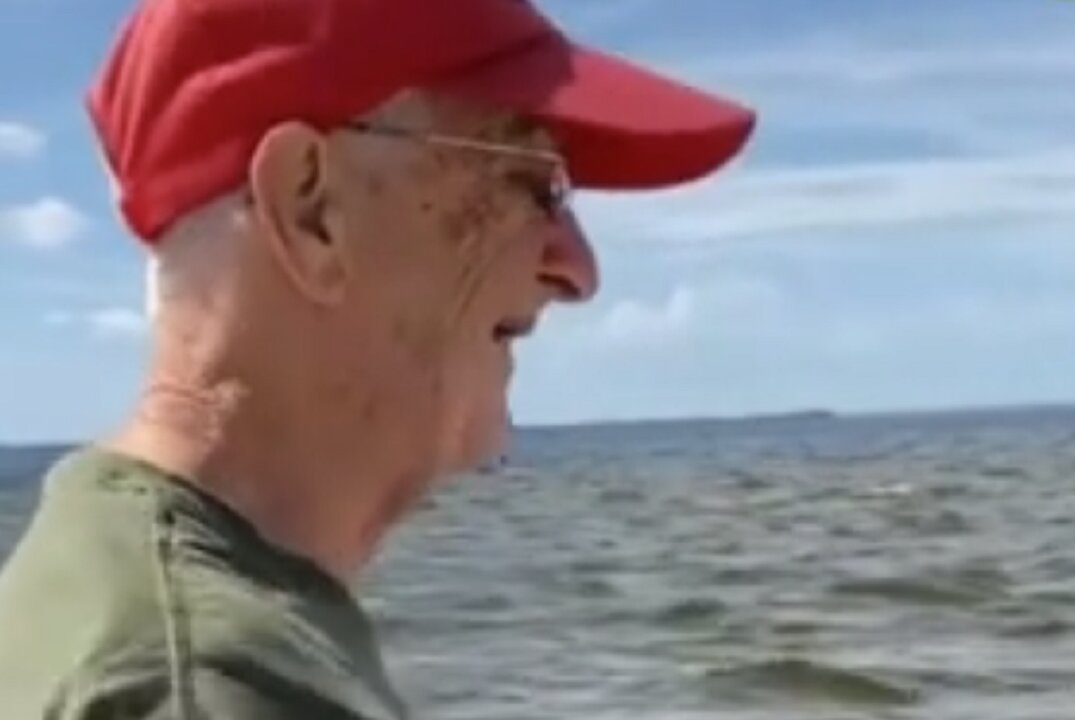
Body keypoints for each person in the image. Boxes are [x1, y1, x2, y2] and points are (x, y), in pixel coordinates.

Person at [0, 0, 755, 716]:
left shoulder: (107, 586)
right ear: (311, 210)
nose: (578, 269)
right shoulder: (214, 683)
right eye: (531, 182)